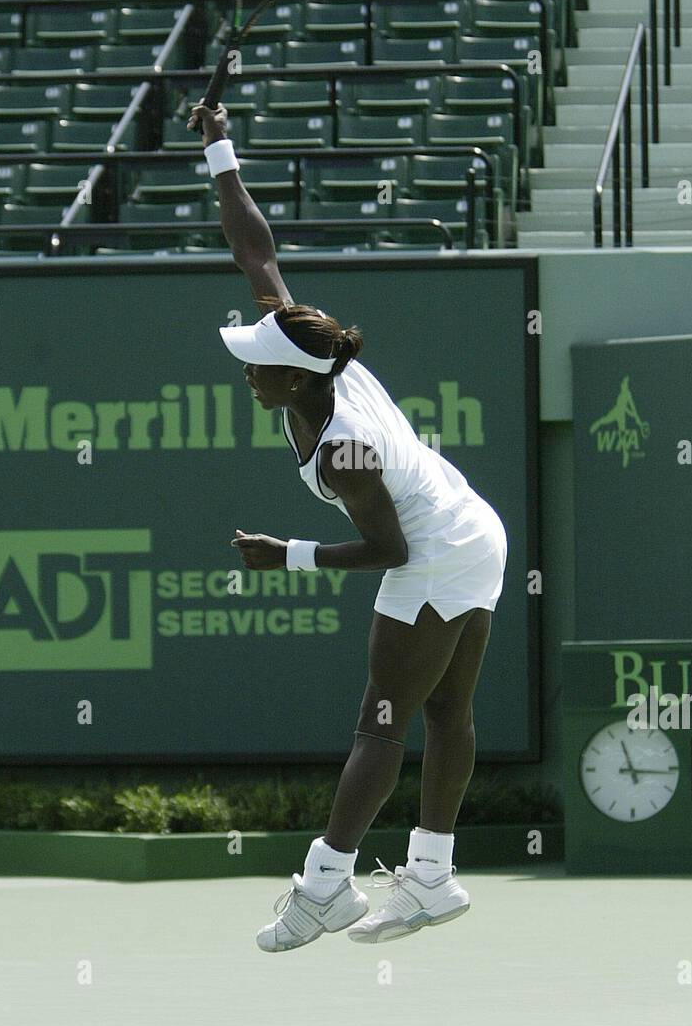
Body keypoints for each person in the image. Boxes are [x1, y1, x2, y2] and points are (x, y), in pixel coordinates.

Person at [187, 101, 509, 954]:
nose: (245, 367)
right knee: (447, 712)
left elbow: (391, 551)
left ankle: (326, 886)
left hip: (435, 550)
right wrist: (220, 143)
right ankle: (432, 878)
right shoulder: (307, 348)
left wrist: (283, 553)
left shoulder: (347, 455)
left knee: (382, 722)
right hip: (475, 526)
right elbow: (254, 248)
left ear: (291, 384)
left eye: (256, 365)